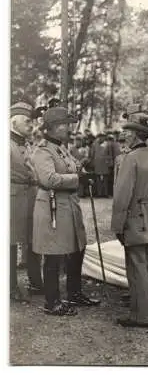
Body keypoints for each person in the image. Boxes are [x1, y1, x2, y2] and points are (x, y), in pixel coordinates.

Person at [31, 106, 100, 316]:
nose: (68, 128)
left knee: (77, 248)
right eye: (64, 125)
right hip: (53, 207)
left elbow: (73, 167)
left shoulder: (61, 148)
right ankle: (51, 302)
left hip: (69, 205)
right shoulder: (43, 151)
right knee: (54, 253)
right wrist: (77, 179)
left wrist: (84, 172)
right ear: (51, 128)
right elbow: (48, 179)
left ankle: (74, 293)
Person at [111, 107, 148, 328]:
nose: (125, 135)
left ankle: (140, 316)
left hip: (134, 217)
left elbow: (122, 196)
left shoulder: (130, 159)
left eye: (127, 132)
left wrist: (117, 225)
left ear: (134, 135)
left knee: (136, 267)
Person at [10, 101, 43, 302]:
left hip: (31, 196)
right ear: (14, 122)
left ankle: (35, 282)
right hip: (11, 197)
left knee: (33, 239)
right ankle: (10, 286)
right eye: (27, 121)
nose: (32, 126)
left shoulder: (28, 143)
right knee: (10, 243)